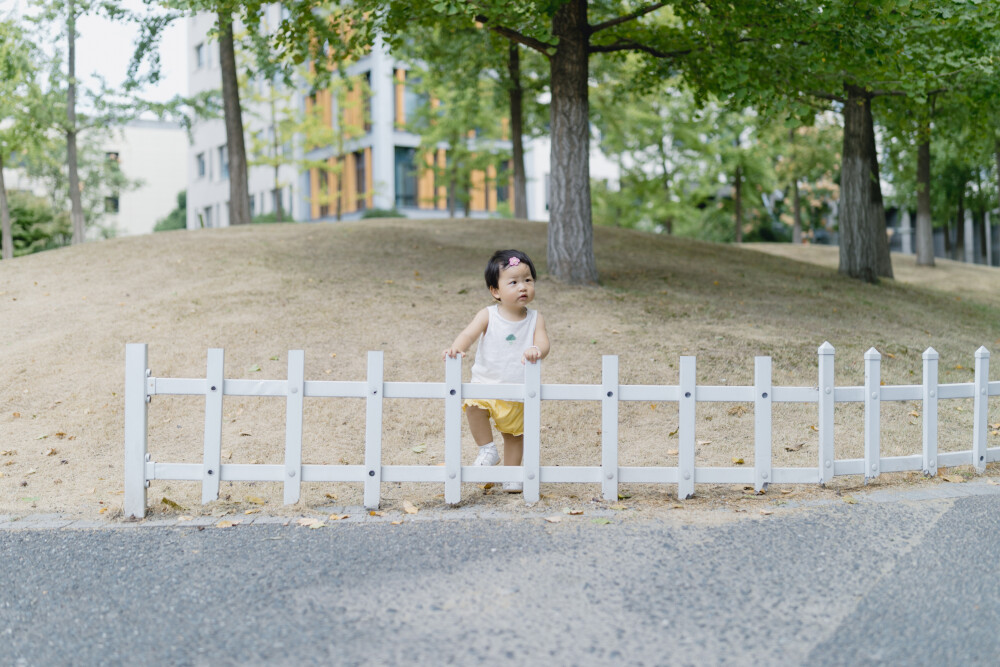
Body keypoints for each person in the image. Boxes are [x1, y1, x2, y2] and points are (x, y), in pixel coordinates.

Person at [443, 249, 550, 493]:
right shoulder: (488, 314)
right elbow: (468, 334)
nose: (522, 287)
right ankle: (487, 449)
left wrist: (537, 350)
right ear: (495, 291)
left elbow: (544, 343)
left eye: (528, 280)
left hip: (517, 389)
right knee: (473, 406)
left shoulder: (535, 318)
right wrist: (457, 348)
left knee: (514, 435)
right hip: (485, 383)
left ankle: (512, 474)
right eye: (513, 282)